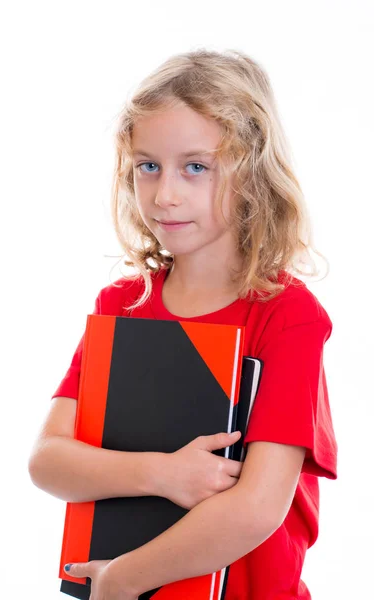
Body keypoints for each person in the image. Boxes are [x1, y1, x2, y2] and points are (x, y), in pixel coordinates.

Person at [28, 48, 338, 600]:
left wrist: (124, 580)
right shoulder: (119, 303)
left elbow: (257, 508)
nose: (165, 194)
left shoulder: (286, 315)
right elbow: (48, 460)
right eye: (148, 166)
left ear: (251, 173)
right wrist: (161, 474)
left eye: (195, 166)